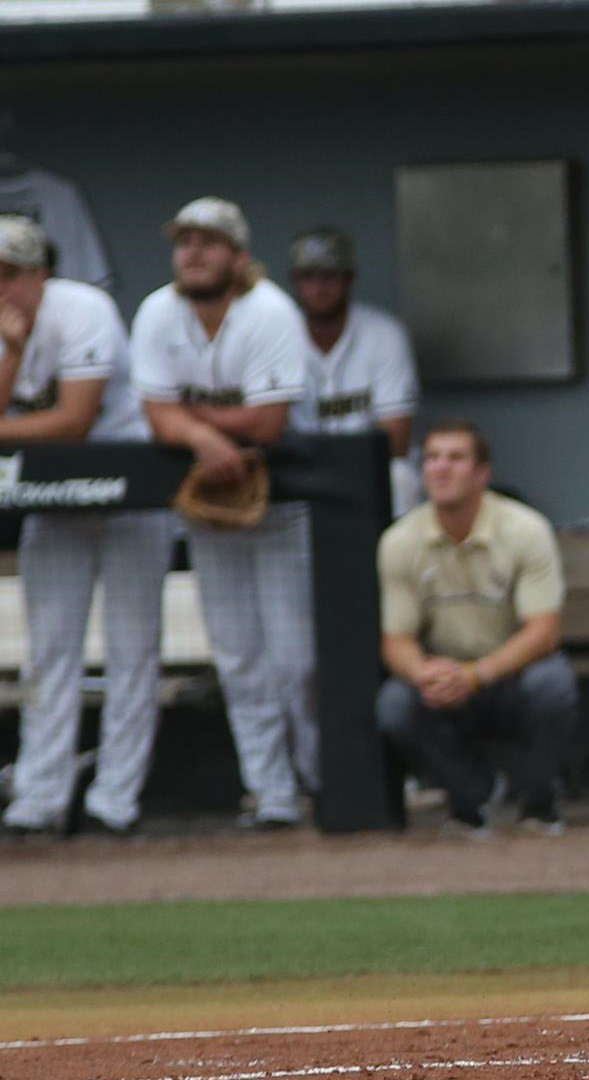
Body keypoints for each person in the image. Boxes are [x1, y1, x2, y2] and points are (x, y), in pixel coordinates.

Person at [130, 196, 315, 829]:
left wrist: (188, 423)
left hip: (286, 499)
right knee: (238, 656)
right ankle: (273, 794)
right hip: (211, 502)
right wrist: (204, 437)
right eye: (184, 241)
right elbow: (153, 417)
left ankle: (319, 775)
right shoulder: (158, 310)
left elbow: (268, 422)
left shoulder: (271, 312)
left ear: (238, 257)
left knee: (297, 658)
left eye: (208, 242)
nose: (193, 253)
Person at [0, 216, 172, 837]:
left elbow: (74, 421)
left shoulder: (84, 308)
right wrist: (13, 351)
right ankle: (38, 798)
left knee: (132, 651)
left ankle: (114, 802)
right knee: (48, 652)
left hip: (128, 492)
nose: (1, 288)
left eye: (11, 275)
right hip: (54, 500)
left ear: (40, 273)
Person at [375, 418, 578, 837]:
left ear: (482, 472)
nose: (441, 468)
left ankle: (540, 804)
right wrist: (423, 673)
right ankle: (473, 797)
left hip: (509, 676)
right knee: (395, 703)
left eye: (455, 458)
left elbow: (544, 633)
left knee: (553, 685)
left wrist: (476, 674)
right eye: (431, 458)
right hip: (444, 680)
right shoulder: (400, 540)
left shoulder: (525, 529)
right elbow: (396, 641)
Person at [286, 226, 422, 518]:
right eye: (309, 276)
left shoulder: (384, 333)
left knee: (400, 477)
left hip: (369, 467)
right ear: (295, 282)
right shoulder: (277, 335)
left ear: (349, 278)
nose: (319, 287)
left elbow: (396, 440)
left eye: (330, 276)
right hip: (300, 469)